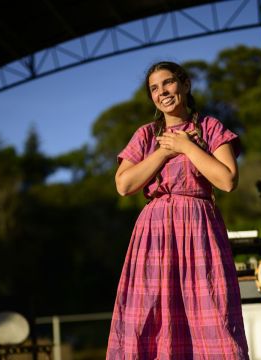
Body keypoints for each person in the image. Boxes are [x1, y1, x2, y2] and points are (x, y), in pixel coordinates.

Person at [106, 61, 249, 359]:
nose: (162, 92)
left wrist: (186, 147)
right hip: (154, 235)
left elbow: (227, 179)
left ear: (185, 84)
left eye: (168, 83)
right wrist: (164, 151)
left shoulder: (209, 128)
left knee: (211, 313)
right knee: (151, 316)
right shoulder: (146, 135)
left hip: (199, 232)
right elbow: (124, 184)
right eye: (154, 89)